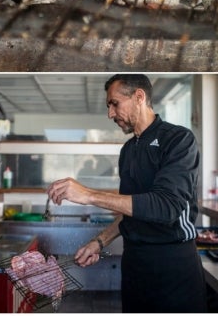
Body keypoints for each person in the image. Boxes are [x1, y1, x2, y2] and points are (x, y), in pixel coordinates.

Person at [47, 74, 207, 313]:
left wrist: (89, 195)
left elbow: (165, 207)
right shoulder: (128, 150)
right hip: (134, 266)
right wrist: (99, 242)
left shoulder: (178, 139)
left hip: (173, 266)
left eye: (114, 104)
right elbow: (132, 211)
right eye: (108, 106)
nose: (110, 114)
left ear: (139, 97)